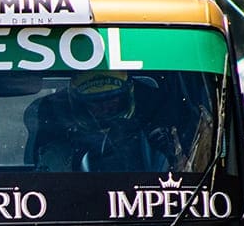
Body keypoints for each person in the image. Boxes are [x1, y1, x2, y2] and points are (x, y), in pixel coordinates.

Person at [27, 70, 180, 172]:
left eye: (112, 98)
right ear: (79, 102)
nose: (105, 107)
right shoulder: (59, 144)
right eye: (96, 101)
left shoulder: (155, 136)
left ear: (128, 95)